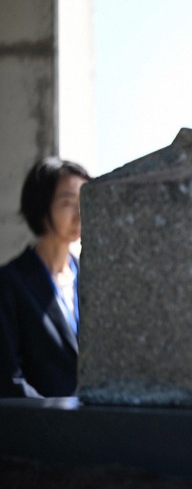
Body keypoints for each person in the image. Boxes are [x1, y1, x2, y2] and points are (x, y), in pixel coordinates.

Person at [0, 157, 91, 397]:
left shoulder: (93, 278)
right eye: (67, 203)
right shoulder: (10, 282)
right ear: (41, 206)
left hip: (97, 423)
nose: (79, 213)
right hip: (42, 427)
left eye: (85, 201)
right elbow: (9, 378)